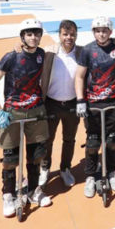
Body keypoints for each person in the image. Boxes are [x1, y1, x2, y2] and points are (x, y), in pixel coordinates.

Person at [0, 19, 52, 218]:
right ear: (22, 36)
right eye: (29, 34)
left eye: (37, 34)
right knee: (10, 158)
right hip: (12, 113)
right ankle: (8, 194)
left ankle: (32, 191)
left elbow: (64, 47)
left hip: (35, 111)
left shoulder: (41, 54)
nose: (34, 37)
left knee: (36, 154)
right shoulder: (11, 57)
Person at [75, 16, 115, 198]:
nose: (101, 33)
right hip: (92, 102)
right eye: (97, 30)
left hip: (114, 101)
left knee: (113, 139)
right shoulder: (87, 50)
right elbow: (80, 77)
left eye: (104, 30)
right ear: (93, 32)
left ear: (110, 31)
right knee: (92, 141)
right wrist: (80, 100)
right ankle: (91, 175)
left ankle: (112, 171)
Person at [39, 20, 82, 189]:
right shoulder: (50, 53)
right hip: (51, 103)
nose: (68, 37)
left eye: (72, 34)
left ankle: (65, 168)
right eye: (65, 34)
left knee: (69, 139)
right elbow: (30, 51)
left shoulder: (82, 53)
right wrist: (18, 46)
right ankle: (45, 167)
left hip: (72, 104)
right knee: (47, 140)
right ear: (59, 35)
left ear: (76, 35)